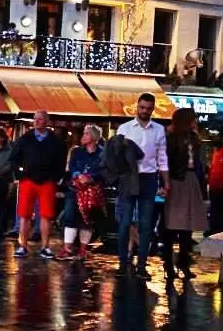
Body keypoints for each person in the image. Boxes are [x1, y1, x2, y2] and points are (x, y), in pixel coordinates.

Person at [115, 93, 170, 280]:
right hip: (129, 178)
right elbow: (117, 156)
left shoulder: (159, 130)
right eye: (142, 107)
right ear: (137, 107)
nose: (145, 111)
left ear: (153, 109)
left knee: (146, 225)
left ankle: (141, 266)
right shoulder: (125, 128)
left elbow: (162, 157)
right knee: (124, 223)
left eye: (148, 108)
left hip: (148, 178)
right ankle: (123, 263)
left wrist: (166, 182)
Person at [9, 110, 66, 259]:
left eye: (40, 119)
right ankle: (23, 246)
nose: (37, 121)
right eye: (35, 119)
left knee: (46, 215)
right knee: (24, 214)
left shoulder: (55, 141)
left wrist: (55, 177)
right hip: (27, 180)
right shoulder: (25, 139)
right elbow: (14, 159)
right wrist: (20, 175)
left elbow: (61, 161)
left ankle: (45, 247)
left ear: (47, 121)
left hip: (47, 181)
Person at [160, 108, 207, 281]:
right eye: (193, 118)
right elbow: (165, 160)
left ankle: (183, 262)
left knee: (187, 226)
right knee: (171, 226)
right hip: (175, 181)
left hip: (190, 180)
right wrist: (164, 182)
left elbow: (199, 164)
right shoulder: (170, 137)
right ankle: (169, 264)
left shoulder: (195, 138)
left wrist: (202, 185)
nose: (196, 121)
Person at [57, 124, 105, 261]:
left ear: (94, 137)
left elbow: (104, 172)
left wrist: (91, 178)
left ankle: (83, 250)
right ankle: (67, 248)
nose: (83, 136)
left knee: (87, 220)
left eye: (86, 133)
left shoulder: (102, 153)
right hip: (75, 189)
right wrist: (78, 176)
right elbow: (72, 167)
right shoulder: (77, 152)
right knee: (70, 216)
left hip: (92, 191)